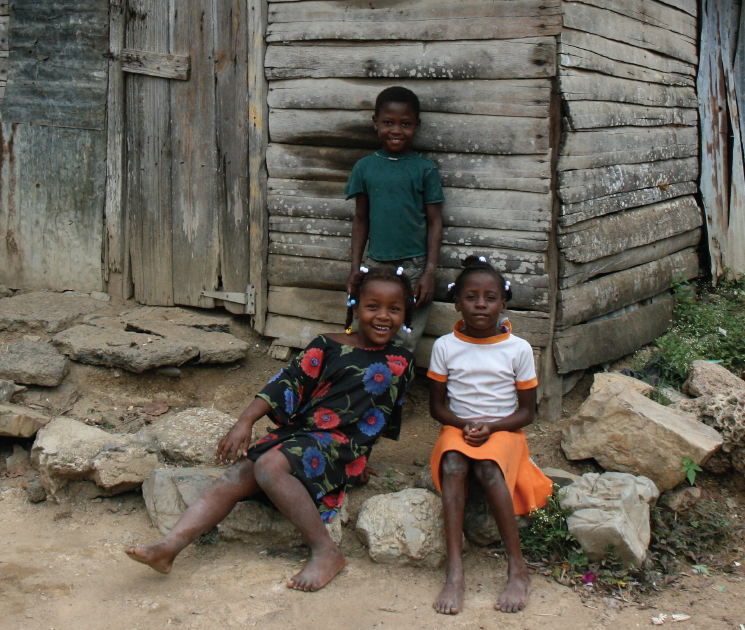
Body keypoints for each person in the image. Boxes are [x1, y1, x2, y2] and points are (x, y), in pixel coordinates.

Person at [125, 267, 417, 592]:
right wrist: (245, 421)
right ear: (355, 307)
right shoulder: (327, 345)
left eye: (395, 309)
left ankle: (326, 551)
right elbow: (286, 383)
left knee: (268, 466)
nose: (383, 316)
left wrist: (359, 462)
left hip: (338, 448)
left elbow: (378, 415)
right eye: (372, 306)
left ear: (406, 314)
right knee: (234, 477)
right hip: (303, 436)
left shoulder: (400, 361)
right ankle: (169, 548)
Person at [426, 256, 554, 615]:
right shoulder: (444, 346)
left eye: (490, 298)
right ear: (457, 303)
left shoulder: (519, 349)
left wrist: (493, 427)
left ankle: (518, 568)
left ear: (504, 303)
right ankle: (454, 572)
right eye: (471, 297)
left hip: (505, 430)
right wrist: (463, 424)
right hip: (457, 426)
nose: (480, 305)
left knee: (487, 470)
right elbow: (436, 407)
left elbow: (527, 412)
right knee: (453, 464)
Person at [345, 86, 444, 352]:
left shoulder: (425, 169)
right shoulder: (365, 168)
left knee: (405, 339)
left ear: (417, 125)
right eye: (388, 122)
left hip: (414, 267)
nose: (397, 130)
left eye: (406, 124)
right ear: (375, 122)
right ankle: (364, 388)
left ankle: (395, 390)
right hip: (373, 264)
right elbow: (361, 220)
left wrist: (430, 272)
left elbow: (435, 222)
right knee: (363, 332)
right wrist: (355, 268)